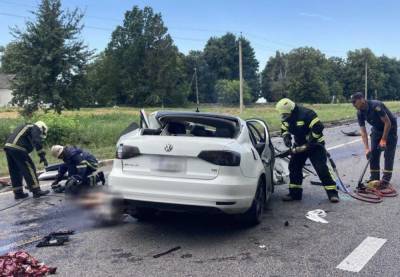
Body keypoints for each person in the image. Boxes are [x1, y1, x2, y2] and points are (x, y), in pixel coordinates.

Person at [275, 98, 339, 203]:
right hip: (300, 145)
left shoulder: (307, 114)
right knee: (294, 167)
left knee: (321, 168)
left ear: (291, 110)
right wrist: (286, 137)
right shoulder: (287, 117)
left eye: (286, 114)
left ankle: (332, 193)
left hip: (316, 145)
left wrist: (311, 141)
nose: (284, 117)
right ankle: (295, 194)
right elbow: (284, 128)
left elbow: (318, 127)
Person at [350, 92, 398, 190]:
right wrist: (367, 148)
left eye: (355, 102)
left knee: (388, 155)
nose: (353, 104)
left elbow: (387, 123)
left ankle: (385, 181)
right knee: (373, 154)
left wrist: (384, 140)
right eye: (352, 102)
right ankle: (374, 178)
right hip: (376, 130)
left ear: (362, 99)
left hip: (390, 129)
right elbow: (363, 131)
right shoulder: (360, 112)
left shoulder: (376, 106)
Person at [4, 121, 50, 199]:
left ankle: (18, 193)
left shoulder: (26, 127)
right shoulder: (35, 127)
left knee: (15, 171)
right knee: (29, 168)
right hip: (18, 148)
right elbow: (37, 141)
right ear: (42, 128)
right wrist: (42, 156)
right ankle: (36, 190)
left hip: (9, 147)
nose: (40, 136)